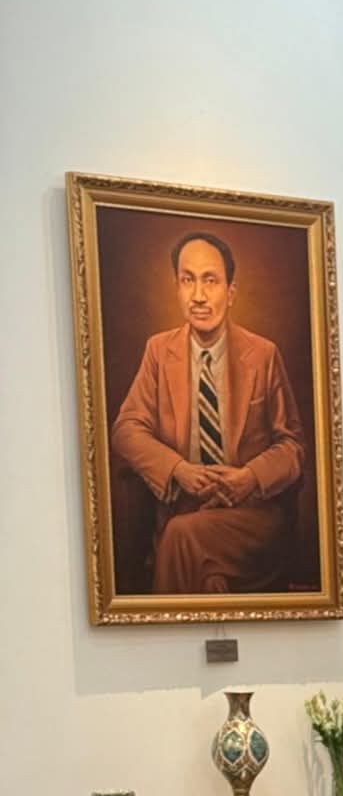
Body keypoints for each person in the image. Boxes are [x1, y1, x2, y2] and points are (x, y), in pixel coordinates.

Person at [110, 231, 305, 595]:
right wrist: (177, 469)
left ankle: (166, 630)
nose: (198, 295)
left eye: (210, 281)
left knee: (180, 538)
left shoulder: (263, 355)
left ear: (230, 292)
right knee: (202, 568)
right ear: (177, 287)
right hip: (184, 507)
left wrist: (249, 477)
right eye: (188, 280)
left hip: (250, 513)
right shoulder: (159, 351)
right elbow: (126, 429)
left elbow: (292, 447)